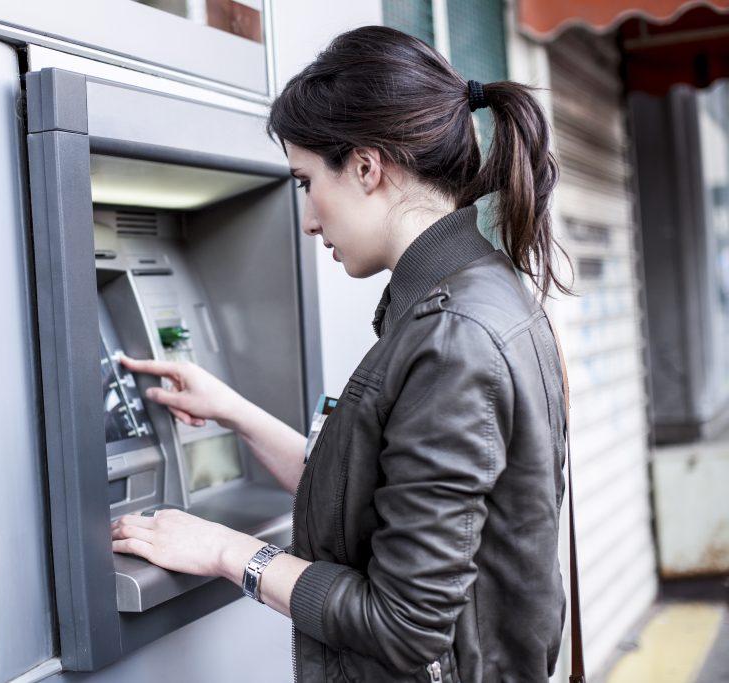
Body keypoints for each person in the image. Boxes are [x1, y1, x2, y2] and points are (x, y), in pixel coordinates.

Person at [112, 25, 571, 682]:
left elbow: (403, 623)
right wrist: (231, 409)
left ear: (365, 166)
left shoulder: (452, 341)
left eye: (304, 182)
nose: (307, 218)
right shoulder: (477, 294)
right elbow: (381, 496)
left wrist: (222, 547)